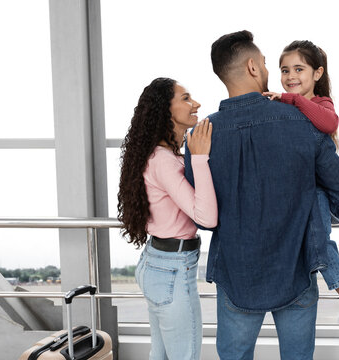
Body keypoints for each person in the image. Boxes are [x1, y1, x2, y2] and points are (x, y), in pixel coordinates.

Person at [184, 30, 339, 360]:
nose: (267, 70)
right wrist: (311, 205)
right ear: (251, 67)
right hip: (296, 268)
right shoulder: (302, 123)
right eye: (264, 63)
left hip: (237, 274)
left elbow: (203, 214)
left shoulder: (202, 136)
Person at [263, 40, 339, 360]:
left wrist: (291, 99)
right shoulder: (282, 105)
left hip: (317, 192)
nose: (290, 76)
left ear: (317, 72)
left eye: (299, 69)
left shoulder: (320, 102)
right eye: (285, 70)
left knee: (320, 244)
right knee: (315, 245)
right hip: (291, 193)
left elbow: (329, 123)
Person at [117, 77, 217, 360]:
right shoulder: (164, 160)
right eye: (185, 98)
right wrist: (200, 158)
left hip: (159, 264)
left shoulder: (162, 155)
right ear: (165, 109)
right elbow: (206, 217)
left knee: (160, 356)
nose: (195, 103)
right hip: (172, 270)